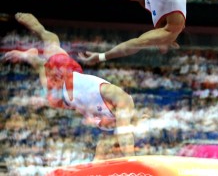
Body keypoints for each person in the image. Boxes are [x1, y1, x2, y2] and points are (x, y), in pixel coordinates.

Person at [2, 12, 136, 160]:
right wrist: (132, 160)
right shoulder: (119, 98)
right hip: (68, 77)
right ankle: (38, 29)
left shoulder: (110, 126)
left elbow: (103, 147)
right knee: (51, 40)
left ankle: (31, 57)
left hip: (65, 99)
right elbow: (125, 138)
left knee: (50, 95)